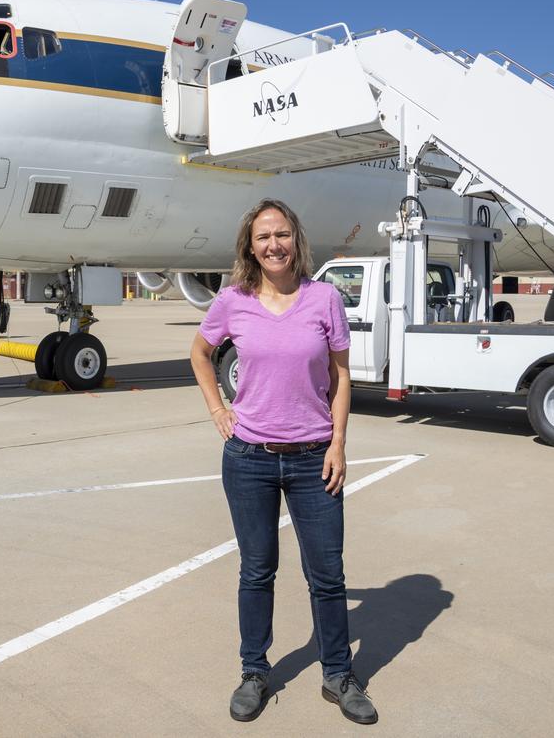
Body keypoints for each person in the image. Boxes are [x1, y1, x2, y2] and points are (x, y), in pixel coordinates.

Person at [189, 198, 377, 725]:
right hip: (248, 457)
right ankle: (254, 671)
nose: (274, 244)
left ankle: (338, 675)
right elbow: (200, 353)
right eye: (263, 237)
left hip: (314, 457)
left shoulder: (324, 300)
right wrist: (216, 409)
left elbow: (342, 377)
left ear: (296, 239)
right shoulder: (233, 300)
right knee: (257, 570)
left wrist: (338, 442)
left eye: (282, 234)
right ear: (251, 247)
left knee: (328, 575)